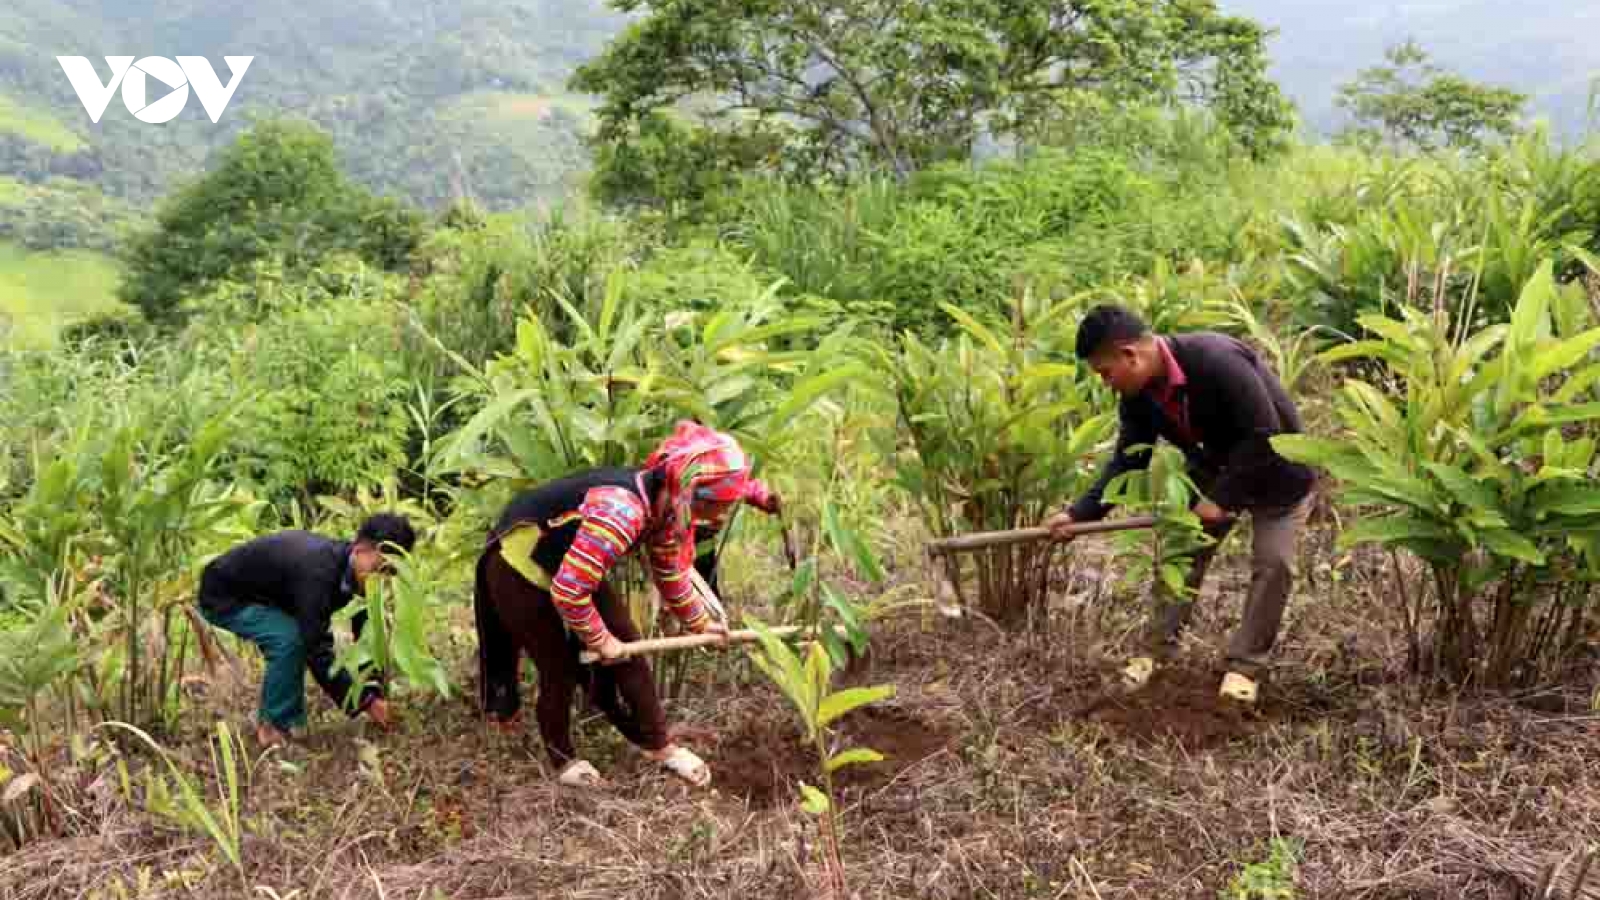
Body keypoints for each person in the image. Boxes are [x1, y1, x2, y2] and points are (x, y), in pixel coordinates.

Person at [473, 421, 781, 788]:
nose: (719, 517)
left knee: (628, 643)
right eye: (717, 507)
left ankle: (659, 745)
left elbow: (669, 571)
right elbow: (570, 592)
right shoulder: (621, 512)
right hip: (518, 565)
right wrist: (599, 640)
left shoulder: (670, 506)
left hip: (566, 559)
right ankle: (563, 759)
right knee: (558, 666)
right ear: (692, 494)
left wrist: (698, 622)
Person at [1047, 305, 1317, 704]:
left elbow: (1264, 435)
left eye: (1106, 372)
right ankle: (1156, 652)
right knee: (1182, 553)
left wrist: (1221, 499)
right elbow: (1128, 460)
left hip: (1280, 467)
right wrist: (1078, 514)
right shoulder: (1138, 398)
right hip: (1215, 465)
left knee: (1273, 564)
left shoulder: (1216, 360)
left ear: (1129, 354)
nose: (1106, 383)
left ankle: (1244, 667)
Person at [197, 514, 417, 746]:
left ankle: (289, 719)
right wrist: (364, 704)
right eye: (379, 568)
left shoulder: (356, 571)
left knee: (296, 634)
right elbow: (317, 649)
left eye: (389, 573)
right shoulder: (318, 573)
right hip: (223, 595)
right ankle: (272, 727)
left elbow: (366, 636)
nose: (381, 578)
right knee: (289, 640)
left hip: (273, 595)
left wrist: (373, 691)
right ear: (361, 550)